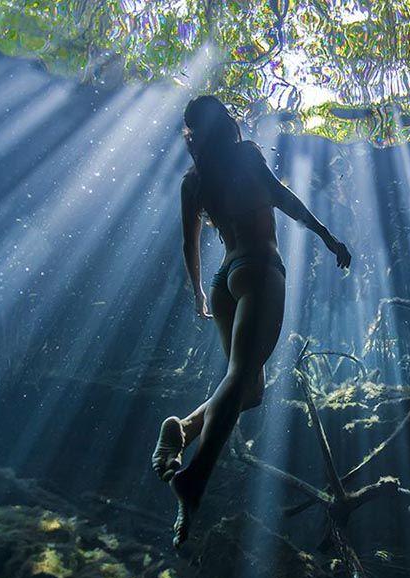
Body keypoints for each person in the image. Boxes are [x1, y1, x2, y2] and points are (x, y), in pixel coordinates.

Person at [151, 96, 351, 547]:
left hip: (226, 279)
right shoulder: (246, 155)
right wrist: (327, 236)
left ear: (193, 132)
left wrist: (200, 290)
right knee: (241, 377)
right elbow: (281, 198)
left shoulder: (194, 182)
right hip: (260, 269)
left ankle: (182, 429)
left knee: (250, 389)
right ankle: (194, 481)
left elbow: (189, 244)